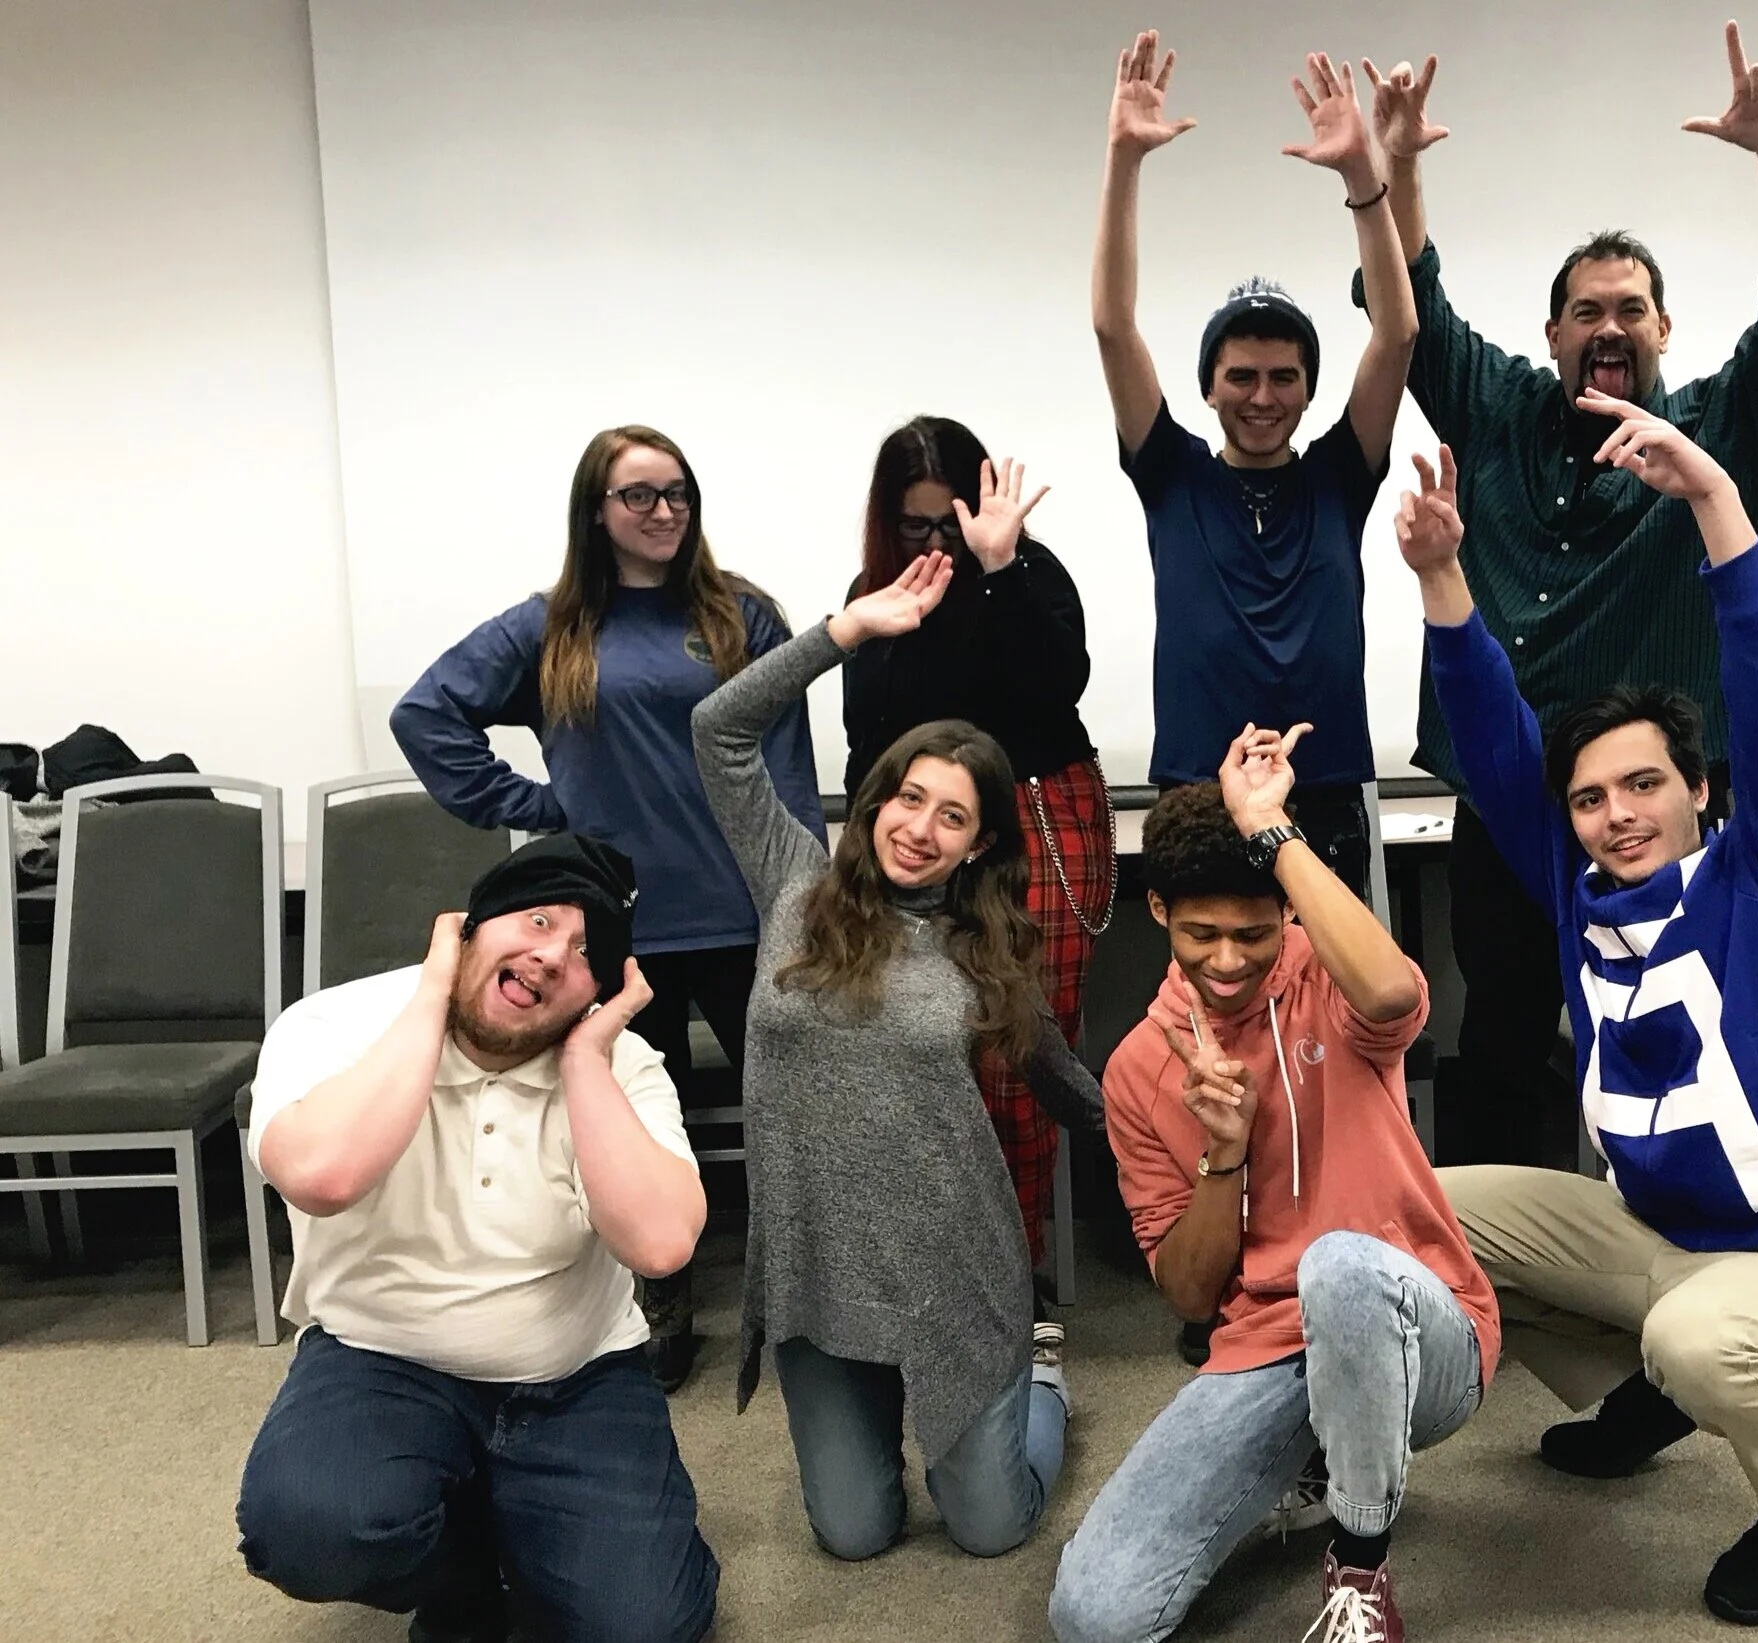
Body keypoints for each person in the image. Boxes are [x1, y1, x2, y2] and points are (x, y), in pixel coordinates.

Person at [1398, 400, 1758, 1626]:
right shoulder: (1582, 892)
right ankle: (1660, 1387)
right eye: (1590, 797)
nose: (1617, 813)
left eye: (1644, 784)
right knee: (1412, 1208)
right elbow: (1494, 736)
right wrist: (1444, 574)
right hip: (1655, 1231)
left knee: (1701, 1336)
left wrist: (1715, 503)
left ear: (1699, 788)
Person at [1356, 23, 1758, 1166]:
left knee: (1683, 1027)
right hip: (1513, 800)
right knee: (1504, 1034)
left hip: (1660, 806)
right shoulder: (1500, 410)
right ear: (1555, 335)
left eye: (1631, 308)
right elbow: (1410, 305)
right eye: (1587, 311)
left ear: (1664, 330)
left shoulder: (1721, 431)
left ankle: (1687, 1214)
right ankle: (1510, 1248)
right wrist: (1397, 170)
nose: (1609, 326)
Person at [691, 549, 1105, 1562]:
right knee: (856, 1533)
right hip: (816, 1260)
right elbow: (719, 730)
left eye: (953, 815)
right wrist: (845, 632)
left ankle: (1042, 1377)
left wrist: (1179, 1119)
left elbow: (1061, 1078)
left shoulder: (985, 949)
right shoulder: (793, 883)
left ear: (979, 844)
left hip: (949, 1257)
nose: (920, 828)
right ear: (876, 799)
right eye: (908, 799)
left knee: (991, 1526)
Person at [391, 424, 825, 1392]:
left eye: (678, 492)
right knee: (634, 1124)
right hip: (617, 927)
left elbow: (788, 767)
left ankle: (808, 1298)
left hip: (746, 913)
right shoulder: (551, 626)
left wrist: (807, 895)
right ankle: (658, 1307)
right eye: (639, 495)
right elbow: (424, 714)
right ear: (597, 509)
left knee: (795, 1116)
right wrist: (543, 810)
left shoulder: (741, 615)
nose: (664, 511)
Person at [1049, 728, 1499, 1643]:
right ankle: (1318, 1452)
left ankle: (1360, 1565)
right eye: (1200, 934)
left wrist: (1269, 825)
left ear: (1286, 914)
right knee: (1095, 1616)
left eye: (1252, 933)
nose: (1227, 960)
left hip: (1421, 1330)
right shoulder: (1138, 1069)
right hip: (1267, 1348)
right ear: (1159, 911)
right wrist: (1223, 1154)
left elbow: (1391, 996)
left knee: (1339, 1266)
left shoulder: (1328, 978)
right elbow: (1188, 1294)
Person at [235, 835, 718, 1643]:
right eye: (537, 920)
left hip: (574, 1378)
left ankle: (542, 1534)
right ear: (472, 923)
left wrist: (585, 1063)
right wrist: (435, 991)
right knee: (308, 1528)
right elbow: (322, 1174)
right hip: (379, 1360)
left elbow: (662, 1244)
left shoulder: (620, 1061)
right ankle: (464, 1574)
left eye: (587, 952)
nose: (551, 957)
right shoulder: (334, 1022)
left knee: (646, 1626)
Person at [1092, 31, 1418, 900]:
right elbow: (1114, 326)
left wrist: (1363, 179)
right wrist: (1124, 161)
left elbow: (1397, 334)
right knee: (1209, 979)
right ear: (1208, 386)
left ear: (1309, 388)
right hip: (1200, 786)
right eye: (1241, 376)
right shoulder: (1173, 474)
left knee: (1339, 985)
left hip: (1325, 785)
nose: (1263, 396)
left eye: (1284, 377)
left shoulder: (1339, 476)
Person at [842, 420, 1113, 1306]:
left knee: (1015, 1053)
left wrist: (998, 568)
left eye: (948, 522)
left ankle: (1015, 1271)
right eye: (913, 524)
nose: (934, 542)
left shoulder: (1028, 571)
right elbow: (868, 745)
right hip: (922, 831)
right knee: (918, 1048)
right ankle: (934, 1262)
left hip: (1034, 816)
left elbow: (1059, 682)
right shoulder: (873, 594)